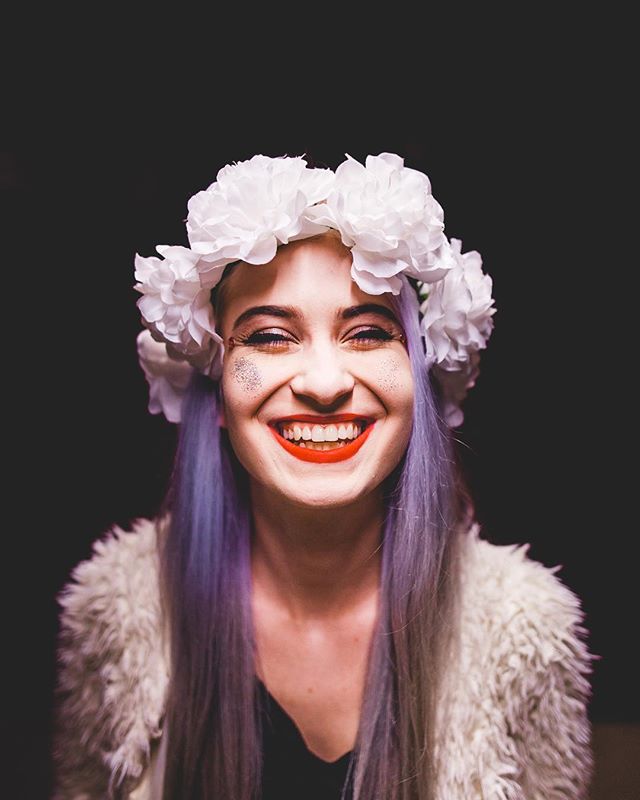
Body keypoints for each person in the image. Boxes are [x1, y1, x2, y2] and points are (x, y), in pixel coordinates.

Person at [51, 153, 595, 800]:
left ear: (421, 376)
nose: (325, 384)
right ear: (216, 388)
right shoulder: (115, 610)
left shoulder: (525, 631)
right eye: (271, 337)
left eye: (367, 333)